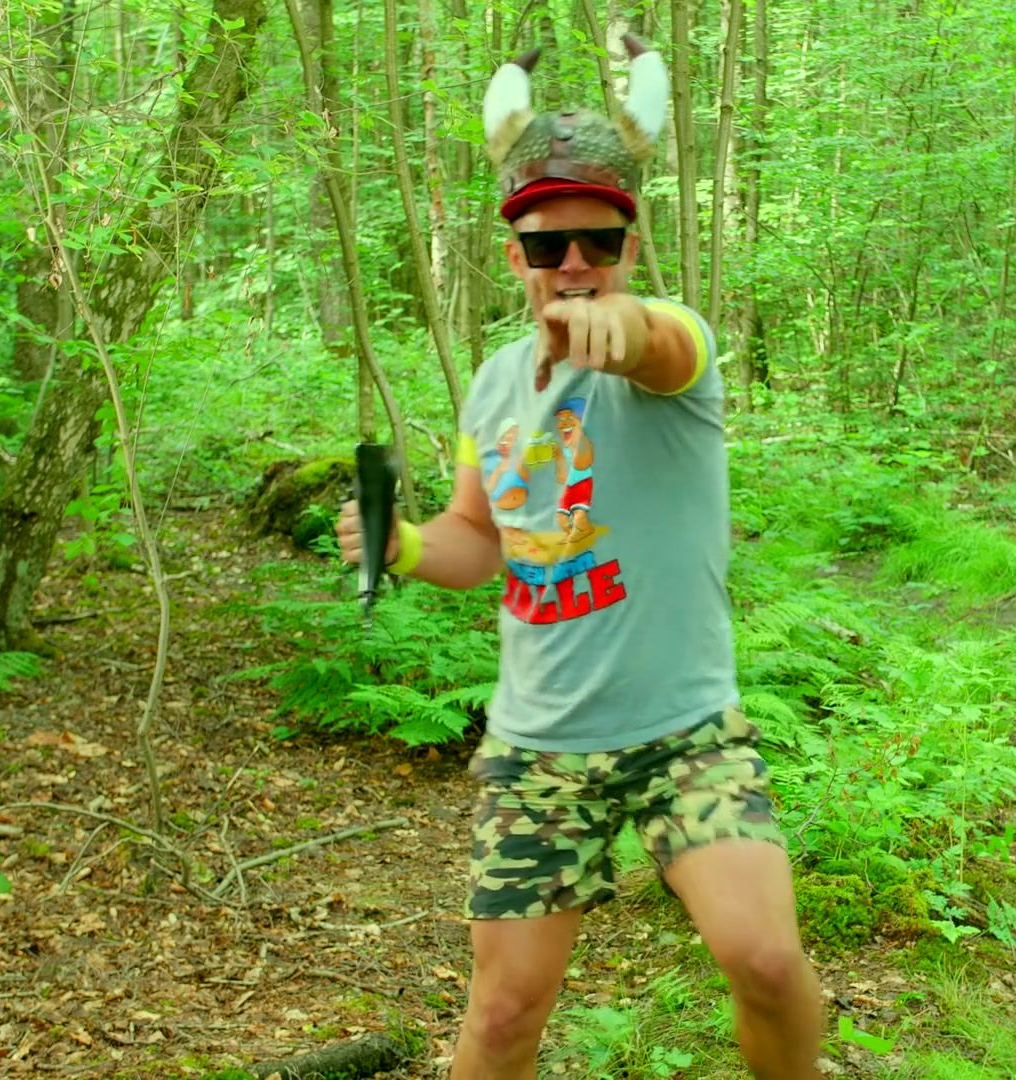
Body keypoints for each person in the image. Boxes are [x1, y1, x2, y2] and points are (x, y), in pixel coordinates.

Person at [335, 36, 822, 1080]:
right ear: (514, 253)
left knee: (767, 961)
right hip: (537, 748)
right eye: (548, 243)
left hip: (685, 733)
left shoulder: (673, 347)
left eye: (598, 240)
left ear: (629, 244)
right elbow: (479, 541)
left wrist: (623, 331)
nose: (573, 265)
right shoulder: (493, 386)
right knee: (504, 1013)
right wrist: (403, 545)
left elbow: (658, 346)